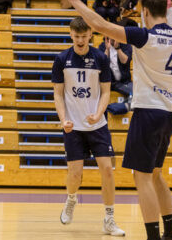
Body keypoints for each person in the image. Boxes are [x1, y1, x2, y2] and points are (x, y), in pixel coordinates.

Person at [66, 0, 172, 240]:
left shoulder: (143, 36)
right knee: (157, 174)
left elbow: (100, 25)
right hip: (170, 115)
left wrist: (75, 1)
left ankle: (153, 236)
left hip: (148, 112)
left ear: (146, 13)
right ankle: (170, 232)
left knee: (143, 178)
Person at [52, 17, 125, 237]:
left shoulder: (100, 58)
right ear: (70, 34)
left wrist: (99, 113)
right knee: (75, 174)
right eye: (76, 37)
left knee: (108, 170)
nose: (81, 40)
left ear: (90, 35)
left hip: (97, 125)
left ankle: (109, 218)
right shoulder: (61, 59)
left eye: (84, 36)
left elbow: (105, 92)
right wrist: (63, 119)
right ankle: (71, 199)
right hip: (73, 126)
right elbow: (58, 93)